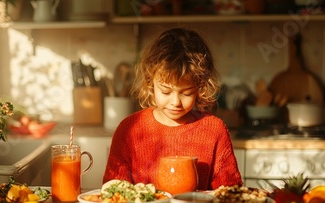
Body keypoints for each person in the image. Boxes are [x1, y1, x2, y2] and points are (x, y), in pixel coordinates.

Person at [103, 27, 243, 190]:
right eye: (166, 91)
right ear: (150, 82)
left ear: (200, 87)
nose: (176, 101)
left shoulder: (214, 130)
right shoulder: (129, 130)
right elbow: (112, 194)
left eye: (186, 92)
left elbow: (231, 195)